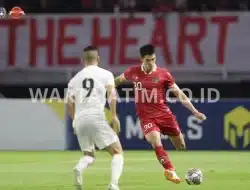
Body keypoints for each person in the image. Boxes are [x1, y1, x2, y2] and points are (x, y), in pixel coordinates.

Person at [114, 44, 206, 184]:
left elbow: (179, 94)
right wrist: (104, 87)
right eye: (148, 60)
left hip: (164, 115)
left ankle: (174, 163)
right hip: (146, 117)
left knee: (180, 145)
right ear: (141, 59)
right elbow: (117, 80)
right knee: (155, 141)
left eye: (153, 59)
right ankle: (170, 170)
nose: (151, 63)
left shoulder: (164, 74)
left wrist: (194, 111)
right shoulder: (133, 72)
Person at [66, 46, 123, 190]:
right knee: (117, 152)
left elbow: (69, 103)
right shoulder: (106, 74)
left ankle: (79, 167)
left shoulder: (74, 79)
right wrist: (114, 115)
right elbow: (112, 95)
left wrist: (74, 121)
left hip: (80, 119)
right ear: (97, 59)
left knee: (89, 154)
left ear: (83, 60)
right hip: (96, 116)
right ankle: (114, 185)